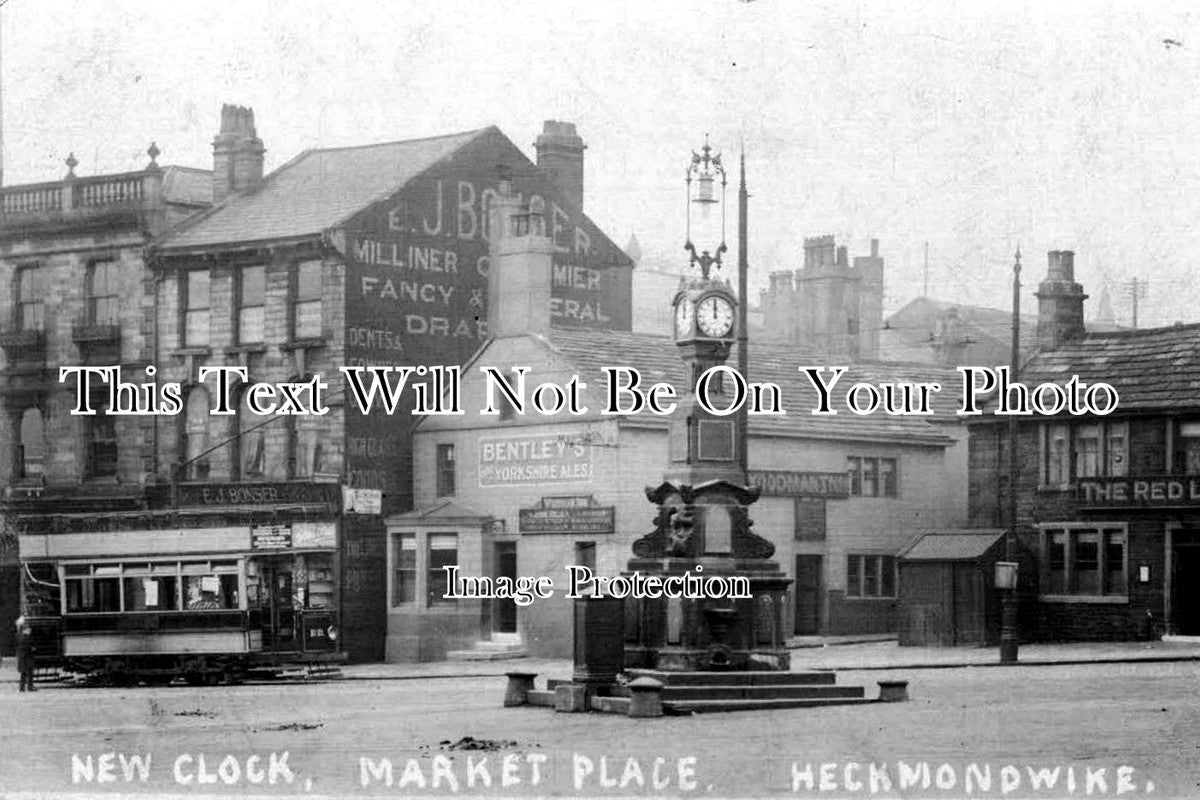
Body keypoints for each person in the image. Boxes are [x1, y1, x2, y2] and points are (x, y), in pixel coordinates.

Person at [14, 615, 35, 693]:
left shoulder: (20, 637)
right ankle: (29, 687)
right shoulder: (25, 638)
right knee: (28, 673)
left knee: (24, 673)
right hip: (26, 658)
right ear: (25, 630)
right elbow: (27, 647)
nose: (30, 631)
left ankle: (22, 688)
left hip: (23, 658)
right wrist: (32, 648)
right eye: (28, 630)